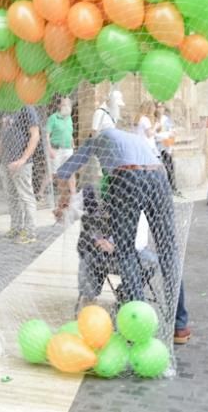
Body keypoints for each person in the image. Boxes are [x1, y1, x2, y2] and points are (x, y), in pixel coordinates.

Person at [53, 126, 181, 326]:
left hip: (128, 176)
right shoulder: (133, 138)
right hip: (159, 175)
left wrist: (62, 199)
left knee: (125, 251)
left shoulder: (96, 137)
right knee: (168, 251)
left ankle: (139, 322)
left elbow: (65, 171)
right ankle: (179, 324)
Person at [0, 106, 41, 243]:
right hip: (6, 163)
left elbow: (35, 135)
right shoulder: (6, 110)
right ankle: (16, 227)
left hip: (21, 163)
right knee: (12, 197)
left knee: (26, 197)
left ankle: (30, 233)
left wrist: (22, 160)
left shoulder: (27, 108)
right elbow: (2, 138)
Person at [46, 97, 77, 214]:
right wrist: (50, 149)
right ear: (59, 106)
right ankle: (62, 201)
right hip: (56, 150)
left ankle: (73, 197)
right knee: (59, 176)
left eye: (69, 105)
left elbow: (69, 132)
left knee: (71, 172)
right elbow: (47, 135)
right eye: (64, 105)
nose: (67, 107)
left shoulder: (69, 118)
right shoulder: (53, 118)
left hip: (68, 149)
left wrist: (73, 142)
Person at [154, 102, 176, 190]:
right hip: (156, 148)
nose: (160, 109)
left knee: (169, 167)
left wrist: (166, 135)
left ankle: (172, 187)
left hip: (166, 147)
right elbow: (154, 135)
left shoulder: (167, 119)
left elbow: (173, 132)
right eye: (159, 107)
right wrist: (165, 135)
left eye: (162, 107)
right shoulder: (154, 119)